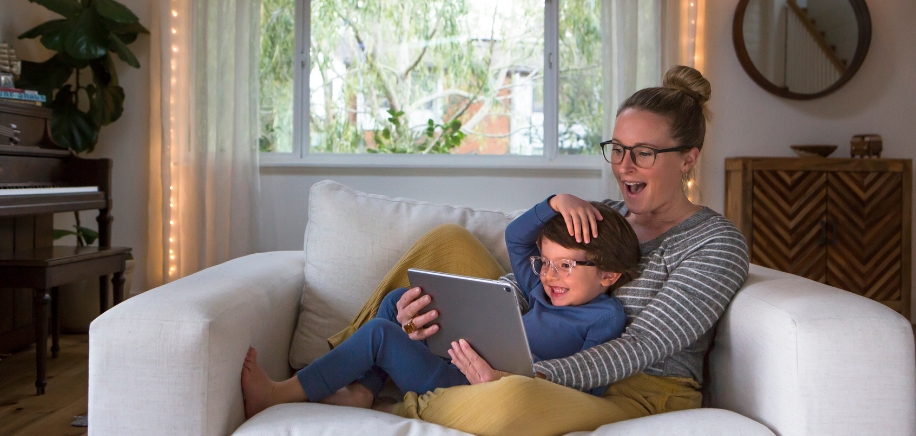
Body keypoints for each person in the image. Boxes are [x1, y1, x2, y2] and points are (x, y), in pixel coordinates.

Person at [376, 65, 750, 436]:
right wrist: (464, 313)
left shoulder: (715, 243)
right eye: (618, 149)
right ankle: (364, 367)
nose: (624, 166)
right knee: (447, 243)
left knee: (512, 402)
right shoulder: (605, 216)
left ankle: (403, 399)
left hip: (639, 392)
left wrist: (531, 375)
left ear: (688, 158)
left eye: (644, 153)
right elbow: (535, 282)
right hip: (542, 358)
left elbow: (642, 345)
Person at [240, 202, 641, 419]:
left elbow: (590, 386)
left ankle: (280, 394)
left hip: (470, 386)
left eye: (566, 265)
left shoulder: (605, 318)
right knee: (399, 301)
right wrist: (556, 202)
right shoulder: (541, 288)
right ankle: (364, 390)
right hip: (460, 358)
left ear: (608, 275)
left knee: (381, 335)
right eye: (547, 262)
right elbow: (517, 238)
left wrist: (516, 375)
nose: (551, 274)